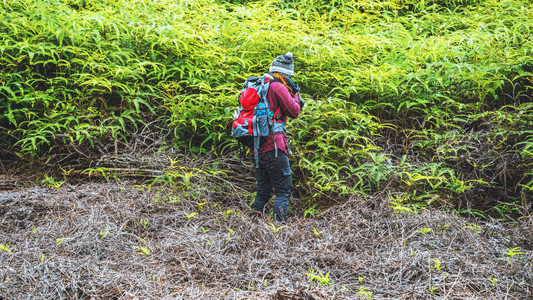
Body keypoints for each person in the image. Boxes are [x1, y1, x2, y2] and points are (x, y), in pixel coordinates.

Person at [251, 52, 304, 222]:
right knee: (283, 190)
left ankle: (251, 226)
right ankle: (278, 231)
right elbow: (294, 111)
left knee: (263, 190)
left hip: (256, 146)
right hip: (274, 146)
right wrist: (295, 94)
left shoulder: (260, 85)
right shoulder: (278, 87)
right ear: (285, 74)